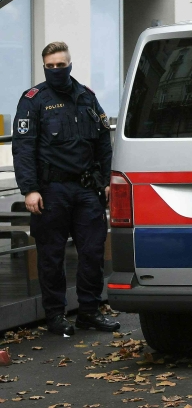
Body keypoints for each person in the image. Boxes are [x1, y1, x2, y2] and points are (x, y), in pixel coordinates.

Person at [12, 42, 120, 336]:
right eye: (51, 66)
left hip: (87, 190)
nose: (57, 70)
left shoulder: (86, 97)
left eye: (61, 65)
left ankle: (88, 312)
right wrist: (30, 189)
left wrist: (106, 180)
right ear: (44, 66)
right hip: (50, 191)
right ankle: (56, 315)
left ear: (70, 64)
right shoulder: (33, 100)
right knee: (51, 256)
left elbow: (102, 143)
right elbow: (23, 148)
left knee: (93, 252)